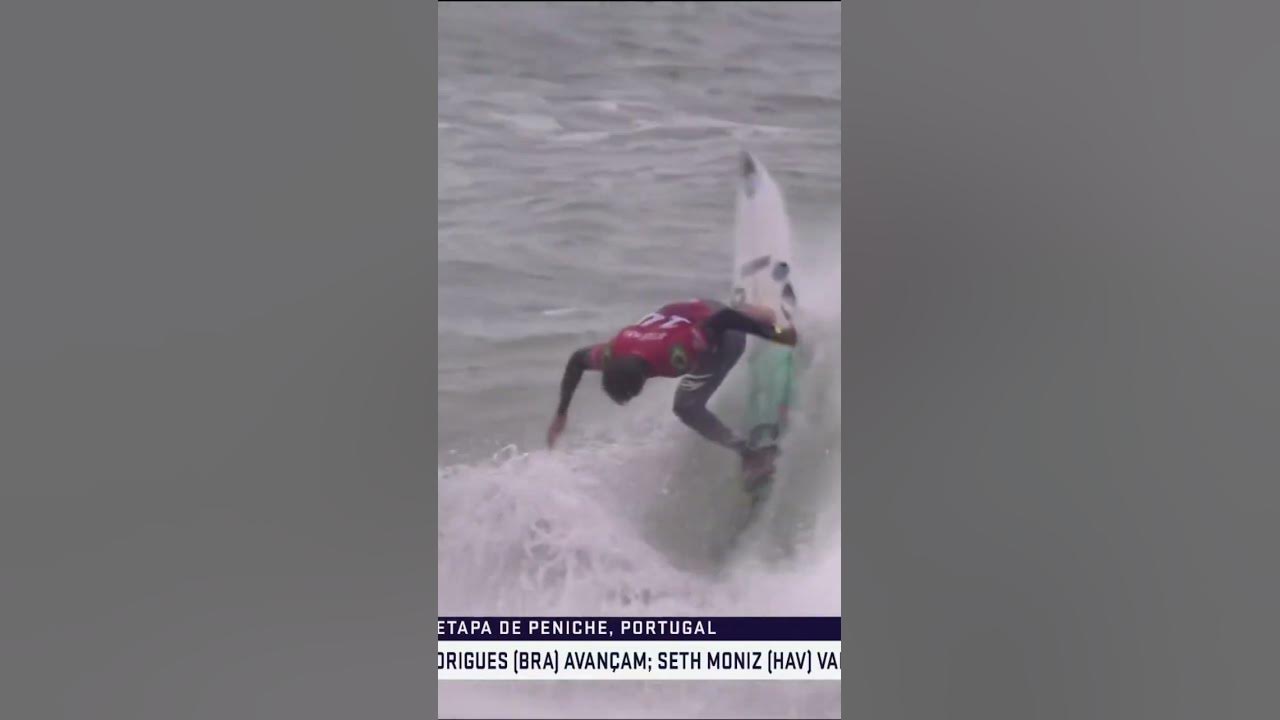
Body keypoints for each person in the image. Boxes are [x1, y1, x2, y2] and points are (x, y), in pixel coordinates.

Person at [546, 298, 797, 473]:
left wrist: (779, 336)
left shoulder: (676, 355)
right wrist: (561, 413)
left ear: (642, 382)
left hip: (723, 333)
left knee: (686, 408)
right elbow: (577, 360)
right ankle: (754, 311)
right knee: (717, 321)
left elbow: (724, 320)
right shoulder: (612, 353)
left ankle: (750, 454)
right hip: (697, 308)